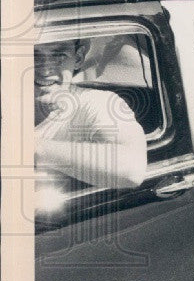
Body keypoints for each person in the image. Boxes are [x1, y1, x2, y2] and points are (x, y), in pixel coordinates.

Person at [35, 39, 147, 189]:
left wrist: (28, 148)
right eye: (33, 55)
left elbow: (132, 168)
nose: (45, 70)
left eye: (59, 55)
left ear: (78, 58)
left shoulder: (98, 102)